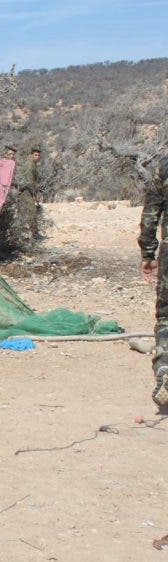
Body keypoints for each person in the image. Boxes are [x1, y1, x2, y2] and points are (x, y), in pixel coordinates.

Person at [139, 153, 168, 407]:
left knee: (166, 316)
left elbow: (150, 216)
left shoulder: (164, 166)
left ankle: (165, 366)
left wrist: (148, 253)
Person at [12, 145, 43, 242]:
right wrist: (34, 195)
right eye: (35, 155)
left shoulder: (32, 164)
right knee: (31, 212)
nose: (37, 157)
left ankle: (21, 235)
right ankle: (33, 234)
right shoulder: (30, 165)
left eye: (38, 155)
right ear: (30, 155)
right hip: (26, 191)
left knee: (24, 213)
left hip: (26, 190)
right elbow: (29, 181)